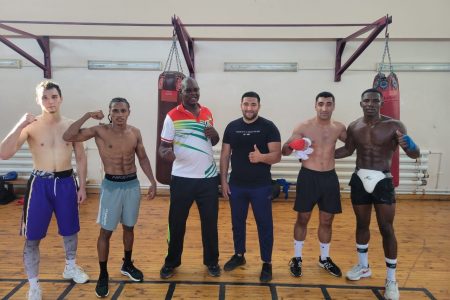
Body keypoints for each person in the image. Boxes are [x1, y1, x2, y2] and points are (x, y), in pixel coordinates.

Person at [0, 80, 89, 300]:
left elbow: (80, 157)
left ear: (61, 98)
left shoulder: (71, 126)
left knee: (70, 231)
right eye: (45, 98)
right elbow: (4, 153)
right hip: (40, 184)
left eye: (54, 97)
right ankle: (34, 285)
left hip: (67, 182)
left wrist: (83, 186)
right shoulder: (31, 126)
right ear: (38, 101)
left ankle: (70, 266)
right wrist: (20, 124)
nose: (50, 102)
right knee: (32, 237)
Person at [62, 97, 157, 298]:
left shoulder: (135, 133)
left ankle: (127, 264)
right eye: (115, 111)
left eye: (123, 110)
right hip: (111, 186)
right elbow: (68, 135)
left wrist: (153, 182)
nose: (119, 115)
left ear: (129, 112)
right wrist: (88, 115)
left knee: (129, 227)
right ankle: (103, 274)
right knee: (106, 231)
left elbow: (143, 158)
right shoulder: (100, 131)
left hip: (132, 185)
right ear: (109, 112)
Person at [335, 88, 420, 300]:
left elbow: (414, 154)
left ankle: (391, 279)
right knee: (361, 225)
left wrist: (409, 144)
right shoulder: (354, 126)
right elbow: (348, 150)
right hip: (359, 178)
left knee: (386, 228)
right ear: (361, 103)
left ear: (381, 103)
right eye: (367, 100)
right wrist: (321, 153)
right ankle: (364, 267)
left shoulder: (394, 125)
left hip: (382, 180)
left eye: (375, 100)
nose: (370, 104)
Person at [158, 77, 221, 279]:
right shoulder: (171, 116)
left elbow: (214, 142)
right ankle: (171, 262)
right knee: (176, 223)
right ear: (180, 93)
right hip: (182, 178)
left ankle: (212, 262)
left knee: (210, 224)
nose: (193, 93)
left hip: (208, 179)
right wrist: (166, 154)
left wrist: (215, 134)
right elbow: (163, 147)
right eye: (189, 91)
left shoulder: (207, 112)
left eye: (196, 90)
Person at [282, 91, 346, 278]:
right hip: (308, 177)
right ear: (315, 105)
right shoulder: (304, 126)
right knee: (303, 218)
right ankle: (297, 258)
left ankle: (324, 259)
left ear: (333, 106)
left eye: (328, 104)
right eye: (321, 104)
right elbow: (285, 150)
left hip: (329, 178)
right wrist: (295, 145)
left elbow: (352, 146)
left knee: (327, 221)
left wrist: (333, 155)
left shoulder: (339, 128)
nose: (324, 108)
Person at [220, 91, 281, 282]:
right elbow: (224, 155)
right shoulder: (232, 127)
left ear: (259, 106)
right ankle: (239, 255)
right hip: (236, 186)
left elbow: (277, 155)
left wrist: (261, 157)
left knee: (264, 225)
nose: (249, 108)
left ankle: (267, 263)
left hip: (261, 186)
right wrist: (223, 181)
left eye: (253, 105)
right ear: (241, 105)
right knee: (237, 223)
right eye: (246, 104)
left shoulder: (268, 127)